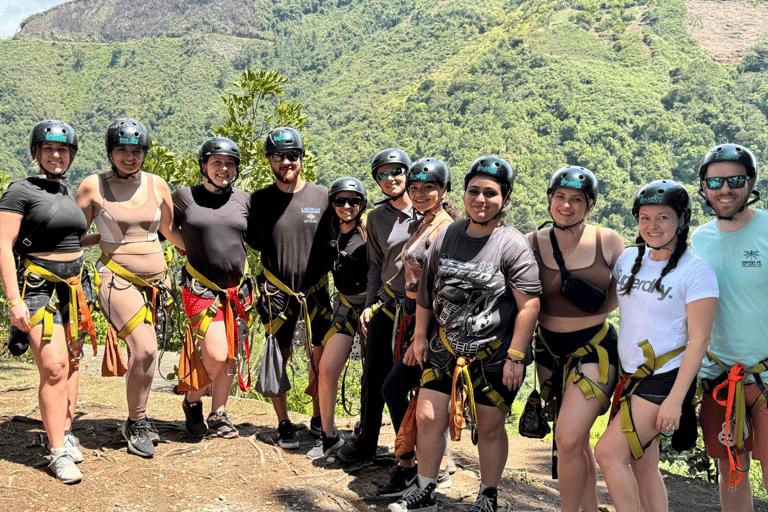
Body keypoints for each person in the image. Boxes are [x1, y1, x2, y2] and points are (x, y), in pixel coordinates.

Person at [389, 156, 541, 512]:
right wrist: (421, 337)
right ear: (464, 193)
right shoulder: (449, 235)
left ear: (504, 198)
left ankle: (488, 494)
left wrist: (517, 356)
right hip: (444, 349)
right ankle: (426, 489)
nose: (481, 199)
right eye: (474, 191)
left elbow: (529, 305)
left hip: (493, 354)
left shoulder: (511, 244)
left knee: (489, 428)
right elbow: (427, 291)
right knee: (427, 417)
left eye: (491, 193)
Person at [594, 180, 718, 512]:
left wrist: (676, 401)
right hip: (630, 376)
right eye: (644, 217)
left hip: (663, 379)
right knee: (642, 464)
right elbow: (611, 304)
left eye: (662, 217)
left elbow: (699, 341)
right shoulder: (629, 258)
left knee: (608, 454)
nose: (652, 226)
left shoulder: (696, 273)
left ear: (682, 219)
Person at [76, 118, 184, 458]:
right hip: (116, 278)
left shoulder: (157, 185)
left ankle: (139, 415)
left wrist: (203, 254)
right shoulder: (93, 187)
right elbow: (75, 234)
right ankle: (137, 421)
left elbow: (167, 230)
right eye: (122, 150)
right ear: (110, 152)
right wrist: (107, 238)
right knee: (147, 349)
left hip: (155, 284)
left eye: (136, 151)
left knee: (146, 353)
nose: (129, 157)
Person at [525, 166, 624, 512]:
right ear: (550, 200)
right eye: (560, 197)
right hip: (548, 350)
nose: (566, 205)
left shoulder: (607, 241)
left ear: (590, 205)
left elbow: (631, 290)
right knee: (576, 441)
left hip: (595, 348)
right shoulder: (530, 243)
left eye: (576, 200)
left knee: (566, 438)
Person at [0, 120, 93, 484]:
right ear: (37, 152)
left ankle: (66, 433)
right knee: (53, 367)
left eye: (64, 150)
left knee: (71, 362)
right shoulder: (19, 192)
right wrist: (12, 300)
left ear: (71, 156)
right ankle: (56, 452)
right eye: (50, 149)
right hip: (37, 288)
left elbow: (70, 241)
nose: (57, 156)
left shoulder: (66, 194)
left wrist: (116, 237)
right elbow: (4, 246)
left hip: (73, 289)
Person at [692, 144, 768, 511]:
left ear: (751, 183)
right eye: (716, 181)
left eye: (735, 180)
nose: (725, 189)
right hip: (720, 376)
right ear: (704, 188)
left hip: (765, 375)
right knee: (730, 470)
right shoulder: (699, 239)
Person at [247, 126, 332, 450]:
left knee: (321, 357)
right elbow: (249, 239)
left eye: (293, 155)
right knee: (278, 355)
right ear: (270, 160)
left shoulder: (322, 197)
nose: (287, 162)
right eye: (280, 156)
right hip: (277, 292)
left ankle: (317, 416)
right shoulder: (260, 201)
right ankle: (283, 422)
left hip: (317, 290)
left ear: (301, 158)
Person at [380, 157, 459, 497]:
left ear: (444, 190)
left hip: (433, 326)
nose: (421, 193)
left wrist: (423, 335)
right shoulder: (423, 221)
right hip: (415, 320)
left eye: (430, 187)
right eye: (415, 188)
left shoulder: (445, 228)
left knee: (397, 389)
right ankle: (420, 463)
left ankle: (413, 465)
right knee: (413, 394)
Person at [338, 147, 415, 464]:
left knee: (417, 381)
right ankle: (367, 440)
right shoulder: (376, 218)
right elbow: (375, 266)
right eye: (382, 174)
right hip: (387, 302)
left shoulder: (428, 213)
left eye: (396, 171)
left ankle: (419, 450)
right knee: (373, 374)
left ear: (409, 173)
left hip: (419, 308)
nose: (391, 178)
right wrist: (369, 305)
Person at [172, 137, 252, 440]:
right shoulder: (184, 198)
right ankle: (192, 402)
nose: (224, 168)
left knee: (231, 355)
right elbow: (166, 226)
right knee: (216, 354)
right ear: (204, 165)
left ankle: (219, 412)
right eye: (217, 162)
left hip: (237, 290)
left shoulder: (244, 200)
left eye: (230, 163)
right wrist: (187, 247)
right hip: (200, 288)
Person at [307, 177, 368, 460]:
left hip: (371, 307)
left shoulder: (370, 234)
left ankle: (371, 434)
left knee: (373, 376)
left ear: (362, 204)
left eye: (353, 201)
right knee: (328, 368)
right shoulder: (330, 233)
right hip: (344, 306)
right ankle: (329, 435)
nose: (346, 206)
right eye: (340, 201)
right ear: (332, 204)